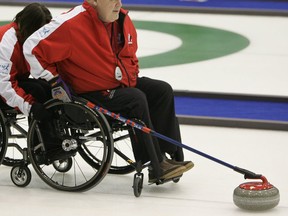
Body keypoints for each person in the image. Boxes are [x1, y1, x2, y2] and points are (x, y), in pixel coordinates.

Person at [23, 0, 194, 184]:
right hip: (88, 94)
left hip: (118, 85)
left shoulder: (121, 19)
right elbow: (31, 48)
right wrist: (55, 81)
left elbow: (130, 54)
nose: (118, 4)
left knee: (162, 90)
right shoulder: (71, 24)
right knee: (135, 99)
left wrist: (131, 73)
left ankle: (171, 153)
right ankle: (155, 163)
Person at [0, 3, 52, 121]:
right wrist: (30, 107)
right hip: (2, 85)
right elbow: (3, 85)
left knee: (47, 87)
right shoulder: (6, 42)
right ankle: (46, 139)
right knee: (37, 92)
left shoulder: (29, 38)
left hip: (12, 79)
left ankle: (51, 133)